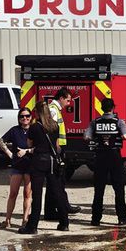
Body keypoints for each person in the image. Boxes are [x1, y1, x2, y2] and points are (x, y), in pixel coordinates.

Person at [19, 105, 69, 234]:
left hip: (38, 161)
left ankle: (32, 226)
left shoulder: (34, 127)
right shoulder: (54, 126)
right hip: (52, 161)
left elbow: (29, 144)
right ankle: (64, 223)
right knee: (57, 192)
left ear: (38, 113)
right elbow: (57, 146)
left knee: (37, 194)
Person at [84, 98, 126, 226]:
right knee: (118, 188)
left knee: (99, 189)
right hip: (114, 156)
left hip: (100, 156)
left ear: (102, 108)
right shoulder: (118, 122)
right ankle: (122, 218)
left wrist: (96, 137)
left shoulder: (95, 122)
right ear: (113, 108)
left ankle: (95, 219)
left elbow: (86, 137)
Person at [44, 88, 81, 220]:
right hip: (56, 149)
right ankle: (58, 209)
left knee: (55, 181)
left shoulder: (54, 108)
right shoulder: (53, 110)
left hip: (56, 149)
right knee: (57, 180)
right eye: (67, 100)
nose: (69, 103)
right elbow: (51, 130)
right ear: (61, 98)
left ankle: (55, 209)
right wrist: (56, 147)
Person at [0, 107, 34, 229]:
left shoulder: (34, 130)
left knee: (27, 194)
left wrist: (27, 151)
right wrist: (10, 154)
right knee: (13, 193)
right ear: (18, 118)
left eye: (27, 116)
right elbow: (1, 141)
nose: (25, 118)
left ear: (31, 117)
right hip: (17, 166)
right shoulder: (14, 130)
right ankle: (7, 220)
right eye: (22, 116)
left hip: (30, 166)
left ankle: (25, 220)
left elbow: (39, 147)